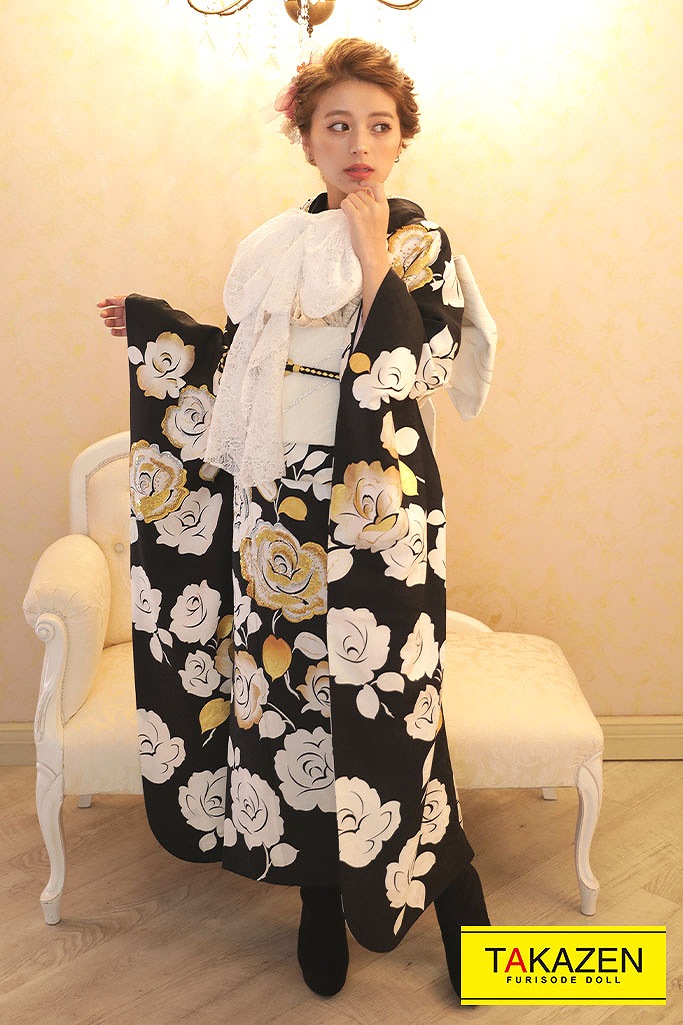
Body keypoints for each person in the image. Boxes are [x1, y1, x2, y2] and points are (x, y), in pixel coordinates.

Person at [98, 37, 496, 1001]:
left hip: (375, 511)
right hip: (271, 508)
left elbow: (416, 371)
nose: (359, 144)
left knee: (389, 700)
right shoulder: (273, 244)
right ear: (307, 139)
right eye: (337, 126)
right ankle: (319, 894)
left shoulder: (422, 244)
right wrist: (158, 331)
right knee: (287, 700)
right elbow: (247, 368)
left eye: (378, 126)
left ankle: (454, 892)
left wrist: (371, 258)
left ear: (401, 139)